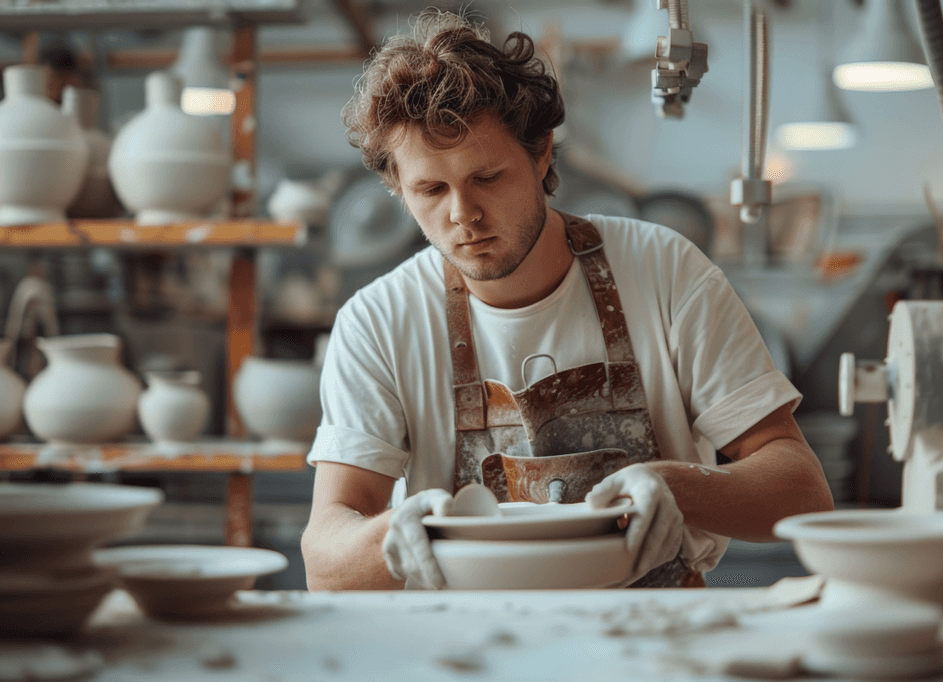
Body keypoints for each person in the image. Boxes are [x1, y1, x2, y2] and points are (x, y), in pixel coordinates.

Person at [301, 9, 833, 590]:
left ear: (542, 154)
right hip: (472, 645)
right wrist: (392, 536)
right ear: (399, 189)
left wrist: (680, 488)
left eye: (488, 177)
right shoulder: (378, 321)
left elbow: (802, 491)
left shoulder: (665, 271)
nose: (463, 215)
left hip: (656, 638)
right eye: (431, 189)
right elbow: (325, 561)